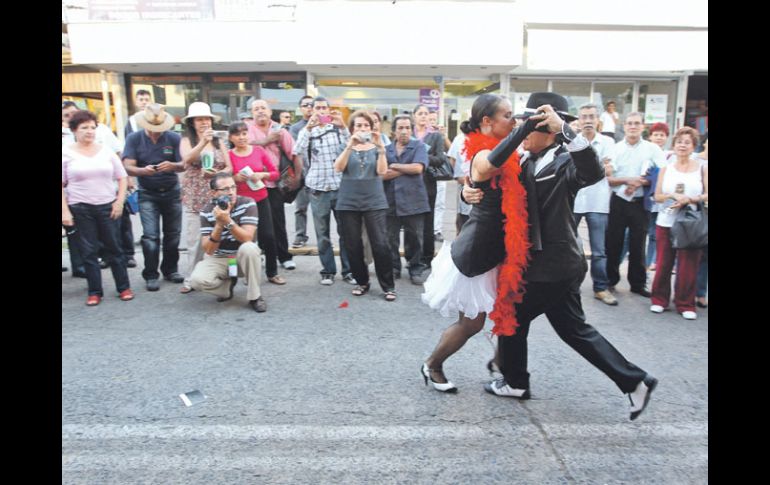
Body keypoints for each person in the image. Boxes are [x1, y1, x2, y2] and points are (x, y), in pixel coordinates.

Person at [476, 92, 657, 421]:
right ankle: (634, 381)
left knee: (510, 316)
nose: (521, 132)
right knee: (574, 331)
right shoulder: (527, 159)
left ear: (546, 128)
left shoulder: (564, 160)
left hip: (554, 266)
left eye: (527, 126)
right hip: (550, 265)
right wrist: (470, 189)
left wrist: (566, 132)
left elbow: (592, 174)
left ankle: (514, 379)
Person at [420, 94, 530, 392]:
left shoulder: (507, 151)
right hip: (478, 253)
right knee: (472, 323)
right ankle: (432, 365)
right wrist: (525, 129)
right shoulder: (482, 154)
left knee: (510, 314)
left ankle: (502, 364)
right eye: (508, 115)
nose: (514, 120)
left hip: (500, 251)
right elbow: (491, 164)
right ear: (486, 121)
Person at [62, 110, 134, 306]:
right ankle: (94, 291)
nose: (89, 131)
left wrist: (119, 202)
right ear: (74, 130)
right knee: (88, 251)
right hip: (80, 207)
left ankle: (124, 287)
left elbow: (122, 177)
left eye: (92, 127)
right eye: (84, 127)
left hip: (107, 206)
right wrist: (65, 212)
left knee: (115, 248)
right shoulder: (65, 153)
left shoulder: (105, 150)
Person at [123, 103, 186, 291]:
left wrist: (173, 166)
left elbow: (183, 164)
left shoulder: (174, 137)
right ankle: (151, 273)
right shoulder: (134, 138)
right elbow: (127, 165)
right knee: (150, 236)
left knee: (173, 235)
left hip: (172, 190)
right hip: (147, 193)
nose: (155, 132)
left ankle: (170, 269)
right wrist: (143, 171)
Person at [293, 96, 354, 285]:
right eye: (316, 108)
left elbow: (351, 146)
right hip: (318, 188)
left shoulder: (337, 129)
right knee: (322, 233)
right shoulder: (307, 131)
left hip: (339, 186)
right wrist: (308, 128)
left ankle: (348, 270)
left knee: (345, 232)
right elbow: (297, 149)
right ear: (312, 111)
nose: (320, 111)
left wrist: (343, 125)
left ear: (328, 110)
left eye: (323, 108)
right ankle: (327, 270)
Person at [333, 110, 394, 300]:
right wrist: (350, 146)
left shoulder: (378, 147)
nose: (362, 129)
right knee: (352, 244)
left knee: (380, 244)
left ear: (372, 127)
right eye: (358, 126)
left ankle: (388, 286)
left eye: (366, 125)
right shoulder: (345, 145)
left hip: (374, 200)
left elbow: (382, 171)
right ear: (352, 128)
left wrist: (381, 147)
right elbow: (338, 167)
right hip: (348, 201)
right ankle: (362, 281)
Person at [650, 127, 708, 320]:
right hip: (666, 221)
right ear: (673, 145)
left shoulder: (702, 168)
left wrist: (690, 199)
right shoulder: (666, 168)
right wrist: (672, 195)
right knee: (663, 263)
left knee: (688, 265)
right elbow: (657, 196)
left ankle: (685, 303)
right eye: (679, 142)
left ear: (693, 146)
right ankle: (659, 300)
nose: (682, 145)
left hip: (690, 223)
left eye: (687, 142)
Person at [605, 112, 665, 297]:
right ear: (624, 126)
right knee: (613, 242)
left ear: (642, 126)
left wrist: (640, 182)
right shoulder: (614, 149)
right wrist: (628, 180)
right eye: (629, 123)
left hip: (640, 202)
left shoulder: (652, 149)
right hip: (618, 201)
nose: (633, 126)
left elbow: (660, 175)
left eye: (636, 123)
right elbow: (609, 178)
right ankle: (610, 281)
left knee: (638, 244)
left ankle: (638, 284)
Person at [189, 173, 267, 312]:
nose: (231, 192)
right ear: (214, 193)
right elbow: (209, 250)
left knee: (250, 248)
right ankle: (226, 288)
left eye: (233, 187)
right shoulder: (206, 211)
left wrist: (228, 222)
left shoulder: (247, 203)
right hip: (220, 257)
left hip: (242, 256)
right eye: (225, 189)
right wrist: (219, 225)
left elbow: (247, 238)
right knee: (196, 281)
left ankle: (255, 296)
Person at [179, 102, 232, 293]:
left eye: (207, 119)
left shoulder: (218, 140)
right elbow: (187, 159)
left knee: (220, 236)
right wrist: (203, 141)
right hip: (195, 195)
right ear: (192, 123)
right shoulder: (187, 140)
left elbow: (229, 167)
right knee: (195, 241)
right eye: (199, 119)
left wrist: (217, 175)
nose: (204, 122)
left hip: (217, 194)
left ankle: (221, 275)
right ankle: (191, 278)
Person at [247, 99, 302, 272]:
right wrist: (265, 141)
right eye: (256, 109)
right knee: (251, 222)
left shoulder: (280, 130)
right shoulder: (246, 129)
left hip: (274, 183)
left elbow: (294, 153)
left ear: (270, 112)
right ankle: (258, 254)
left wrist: (298, 177)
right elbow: (240, 146)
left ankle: (284, 256)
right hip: (250, 184)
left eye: (263, 108)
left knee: (277, 221)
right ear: (252, 113)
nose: (260, 111)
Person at [228, 121, 285, 285]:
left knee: (268, 236)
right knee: (242, 240)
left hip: (261, 198)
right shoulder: (229, 155)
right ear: (231, 138)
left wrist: (262, 175)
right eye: (237, 134)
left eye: (244, 133)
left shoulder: (259, 151)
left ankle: (272, 272)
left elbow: (275, 173)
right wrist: (235, 178)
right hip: (239, 203)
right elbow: (223, 178)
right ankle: (242, 275)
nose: (241, 137)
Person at [572, 103, 618, 306]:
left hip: (598, 202)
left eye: (592, 116)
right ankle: (569, 284)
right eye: (584, 117)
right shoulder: (571, 141)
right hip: (574, 201)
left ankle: (600, 287)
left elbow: (609, 170)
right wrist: (597, 163)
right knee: (569, 246)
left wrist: (585, 164)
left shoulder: (607, 142)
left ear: (598, 120)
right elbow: (567, 167)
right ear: (578, 120)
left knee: (599, 250)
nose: (588, 120)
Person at [383, 115, 430, 285]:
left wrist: (394, 166)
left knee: (415, 238)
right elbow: (382, 174)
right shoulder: (386, 149)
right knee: (390, 238)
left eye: (407, 128)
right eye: (400, 128)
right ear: (394, 131)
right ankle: (394, 267)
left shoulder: (419, 146)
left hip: (414, 201)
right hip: (390, 200)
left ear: (412, 130)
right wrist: (406, 169)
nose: (404, 131)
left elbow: (418, 168)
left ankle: (415, 268)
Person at [412, 104, 449, 268]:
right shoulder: (408, 134)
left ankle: (427, 257)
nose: (423, 116)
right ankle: (413, 256)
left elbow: (440, 159)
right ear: (414, 116)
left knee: (427, 223)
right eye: (420, 113)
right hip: (409, 183)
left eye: (426, 114)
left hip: (428, 183)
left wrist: (421, 157)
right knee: (411, 223)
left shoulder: (435, 137)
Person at [644, 122, 672, 271]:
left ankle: (649, 264)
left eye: (662, 135)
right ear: (650, 137)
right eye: (656, 134)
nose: (659, 138)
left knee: (654, 235)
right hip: (645, 200)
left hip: (661, 204)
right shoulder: (645, 152)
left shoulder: (670, 156)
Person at [289, 95, 314, 249]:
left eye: (312, 104)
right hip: (303, 173)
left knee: (324, 210)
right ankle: (300, 235)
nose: (309, 107)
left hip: (321, 174)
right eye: (305, 105)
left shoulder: (325, 125)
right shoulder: (295, 128)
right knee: (301, 208)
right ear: (300, 108)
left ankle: (325, 238)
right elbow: (294, 151)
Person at [694, 133, 708, 308]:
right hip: (700, 211)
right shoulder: (696, 161)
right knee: (697, 253)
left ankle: (700, 292)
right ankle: (694, 292)